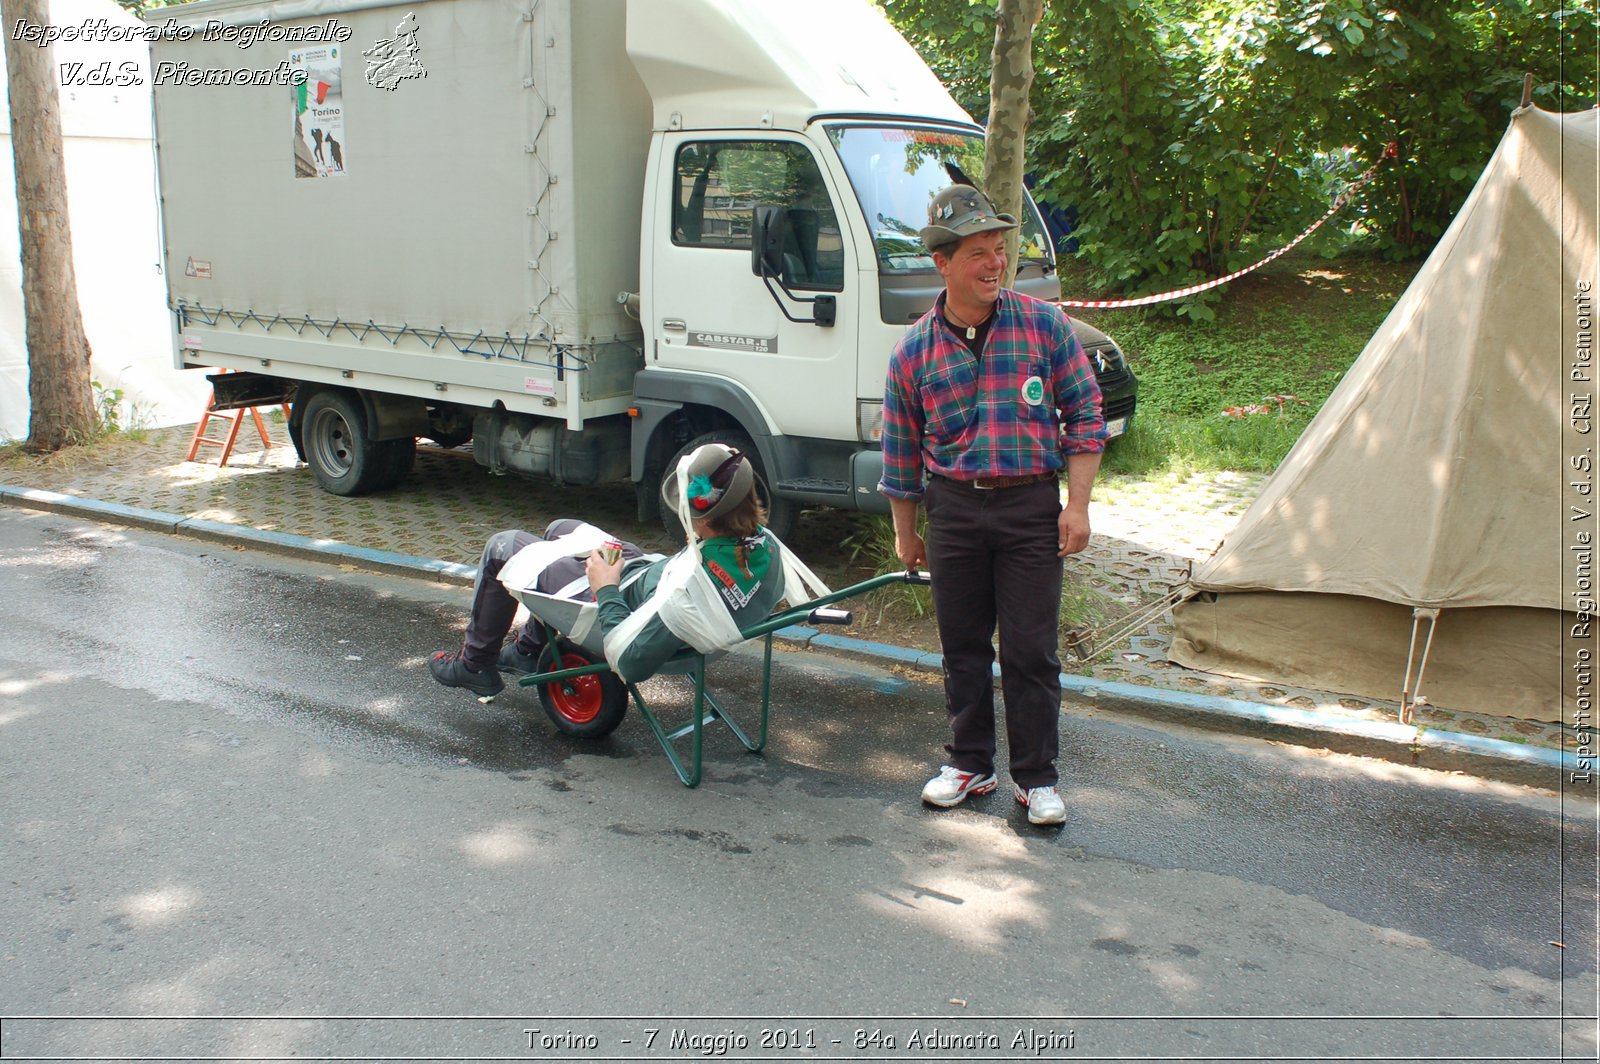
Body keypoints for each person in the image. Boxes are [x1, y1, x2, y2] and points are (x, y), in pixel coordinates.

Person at [879, 184, 1106, 826]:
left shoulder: (1044, 325)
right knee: (962, 647)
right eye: (978, 252)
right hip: (952, 512)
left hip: (1031, 506)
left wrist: (1078, 506)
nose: (994, 264)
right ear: (942, 263)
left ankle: (1036, 778)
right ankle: (969, 763)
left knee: (1031, 649)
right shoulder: (913, 352)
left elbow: (1086, 415)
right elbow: (901, 453)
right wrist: (907, 533)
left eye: (999, 249)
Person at [429, 443, 788, 696]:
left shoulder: (688, 596)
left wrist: (606, 587)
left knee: (502, 547)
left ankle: (475, 666)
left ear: (706, 522)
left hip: (618, 602)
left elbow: (630, 661)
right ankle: (528, 650)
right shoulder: (764, 546)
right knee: (560, 529)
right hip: (650, 578)